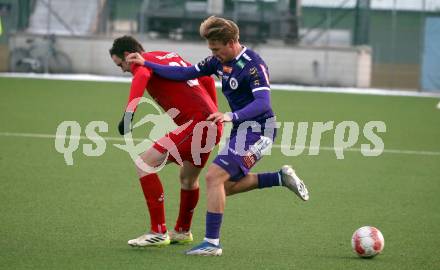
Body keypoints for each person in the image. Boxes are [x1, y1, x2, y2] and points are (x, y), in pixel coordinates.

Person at [127, 16, 310, 256]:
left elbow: (263, 104)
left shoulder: (253, 65)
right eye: (211, 48)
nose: (214, 53)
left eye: (217, 48)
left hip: (259, 131)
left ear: (232, 41)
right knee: (226, 186)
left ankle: (212, 244)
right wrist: (148, 64)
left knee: (213, 178)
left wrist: (230, 116)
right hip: (241, 130)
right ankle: (279, 178)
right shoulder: (217, 61)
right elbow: (186, 73)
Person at [109, 35, 222, 247]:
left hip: (198, 124)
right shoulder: (165, 55)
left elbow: (141, 75)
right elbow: (205, 77)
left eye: (120, 64)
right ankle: (182, 230)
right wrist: (214, 112)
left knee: (144, 163)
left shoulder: (140, 63)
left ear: (127, 55)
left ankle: (158, 231)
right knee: (188, 179)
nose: (123, 69)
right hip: (210, 124)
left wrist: (129, 114)